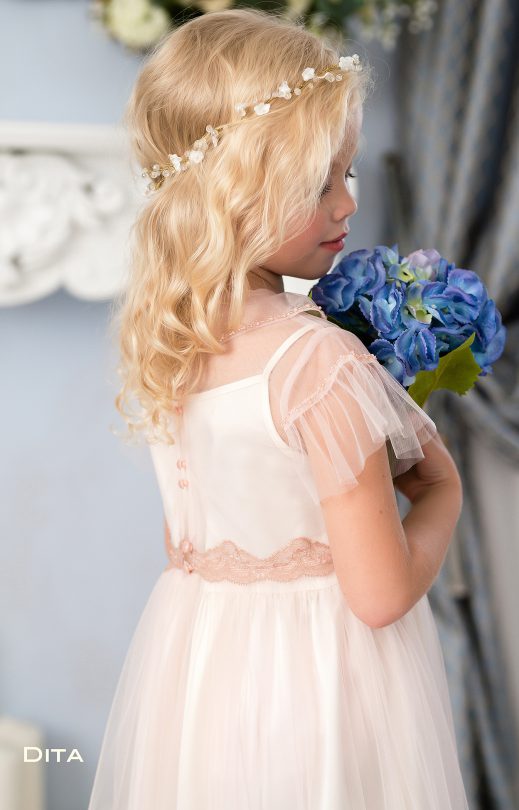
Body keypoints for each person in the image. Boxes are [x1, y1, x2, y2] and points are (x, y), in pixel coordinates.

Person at [88, 8, 469, 808]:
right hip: (319, 694)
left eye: (346, 174)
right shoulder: (316, 361)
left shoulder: (169, 342)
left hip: (204, 680)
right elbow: (378, 596)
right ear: (232, 190)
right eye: (316, 182)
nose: (346, 205)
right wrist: (443, 494)